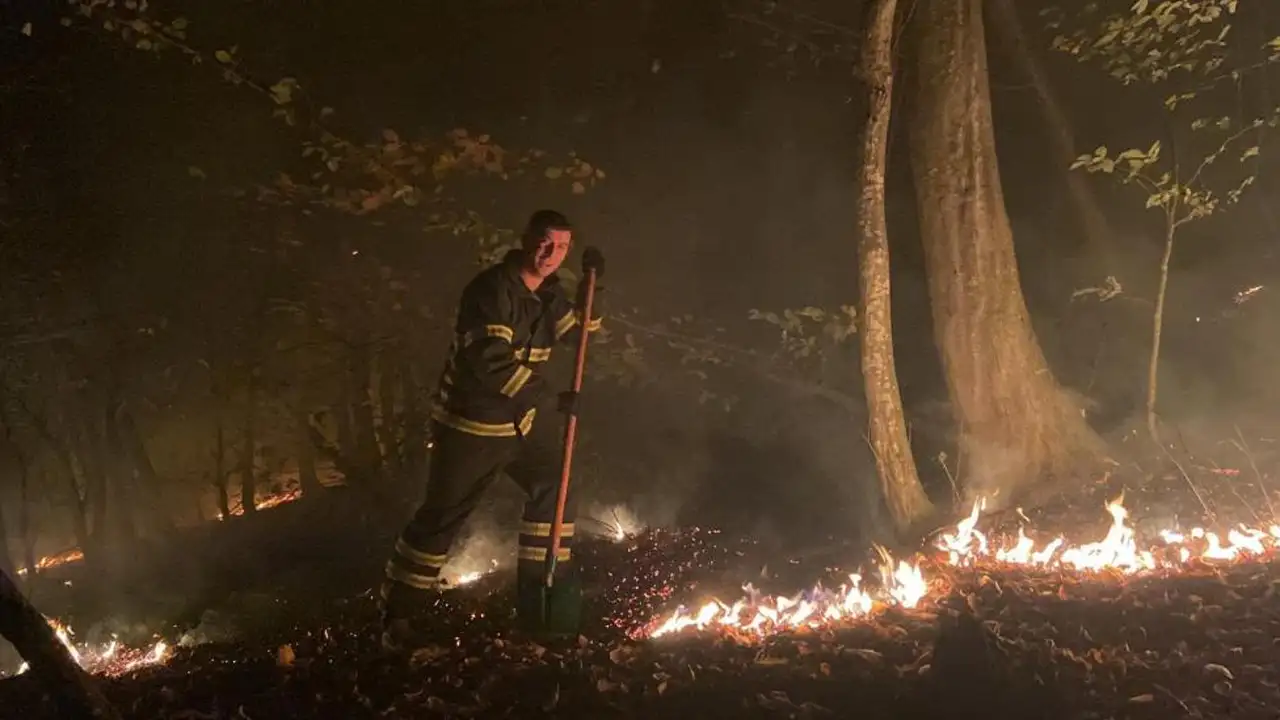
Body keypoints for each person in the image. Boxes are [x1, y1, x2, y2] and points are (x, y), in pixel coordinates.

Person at [379, 209, 605, 653]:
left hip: (517, 423)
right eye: (544, 243)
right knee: (443, 515)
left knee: (554, 483)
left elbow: (581, 335)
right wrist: (550, 398)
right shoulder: (491, 290)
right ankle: (398, 617)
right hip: (472, 425)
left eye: (561, 247)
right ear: (525, 239)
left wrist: (593, 288)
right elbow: (488, 359)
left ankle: (539, 596)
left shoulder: (547, 295)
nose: (551, 253)